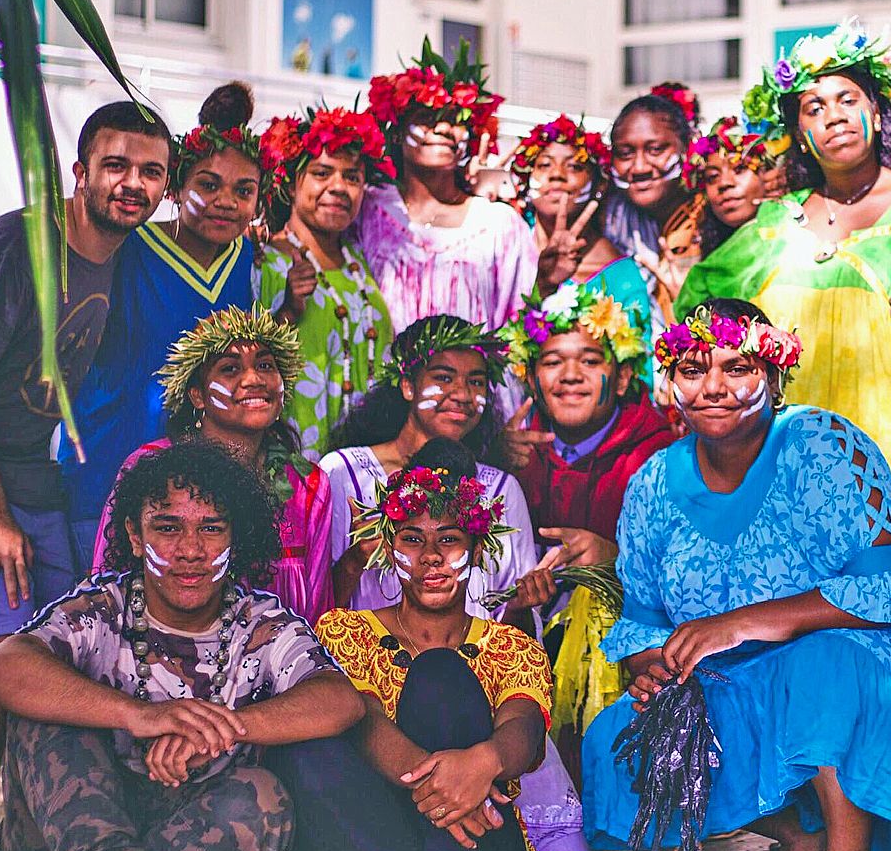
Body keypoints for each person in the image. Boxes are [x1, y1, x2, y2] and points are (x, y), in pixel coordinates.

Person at [582, 300, 891, 851]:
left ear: (773, 377)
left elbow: (889, 590)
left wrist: (738, 624)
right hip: (741, 678)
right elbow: (641, 626)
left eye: (737, 368)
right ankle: (801, 835)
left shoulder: (823, 443)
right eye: (693, 370)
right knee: (614, 735)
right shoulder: (651, 484)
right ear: (670, 382)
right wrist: (655, 673)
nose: (714, 386)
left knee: (824, 663)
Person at [0, 101, 171, 851]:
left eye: (149, 172)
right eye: (115, 165)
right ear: (79, 172)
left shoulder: (124, 251)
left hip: (33, 475)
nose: (131, 184)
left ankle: (29, 825)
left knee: (56, 652)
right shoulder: (22, 242)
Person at [677, 20, 891, 595]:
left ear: (878, 113)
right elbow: (699, 316)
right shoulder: (773, 226)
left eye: (846, 100)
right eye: (812, 107)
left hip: (890, 466)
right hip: (784, 465)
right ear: (798, 133)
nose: (832, 116)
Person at [0, 441, 364, 851]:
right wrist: (139, 715)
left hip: (181, 828)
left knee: (260, 792)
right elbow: (1, 667)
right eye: (167, 528)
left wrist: (216, 731)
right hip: (72, 835)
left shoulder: (259, 622)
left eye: (212, 529)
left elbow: (341, 700)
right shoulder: (104, 606)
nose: (191, 550)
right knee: (46, 710)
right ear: (136, 537)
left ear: (236, 538)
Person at [267, 442, 550, 851]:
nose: (431, 557)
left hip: (479, 843)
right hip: (377, 832)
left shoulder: (510, 645)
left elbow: (524, 727)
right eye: (413, 539)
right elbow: (361, 720)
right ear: (388, 548)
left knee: (441, 675)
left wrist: (483, 763)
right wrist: (444, 791)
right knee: (309, 753)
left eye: (449, 540)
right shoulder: (346, 631)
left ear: (475, 550)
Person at [61, 82, 266, 552]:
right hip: (106, 465)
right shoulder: (127, 244)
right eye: (208, 185)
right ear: (175, 187)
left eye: (244, 190)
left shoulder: (247, 259)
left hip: (200, 493)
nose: (226, 201)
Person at [497, 285, 674, 781]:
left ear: (619, 379)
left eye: (590, 360)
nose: (571, 375)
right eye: (552, 361)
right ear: (531, 378)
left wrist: (612, 557)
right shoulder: (512, 450)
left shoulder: (656, 454)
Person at [91, 307, 334, 625]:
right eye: (230, 369)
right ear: (197, 396)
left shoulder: (308, 485)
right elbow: (106, 585)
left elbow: (319, 607)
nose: (253, 379)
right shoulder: (149, 467)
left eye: (265, 365)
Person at [322, 315, 538, 619]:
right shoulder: (344, 474)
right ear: (408, 385)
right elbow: (310, 606)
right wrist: (355, 559)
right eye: (444, 378)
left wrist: (523, 603)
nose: (462, 395)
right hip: (364, 663)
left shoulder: (502, 490)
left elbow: (511, 620)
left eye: (475, 382)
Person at [358, 40, 535, 337]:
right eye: (426, 119)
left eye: (455, 120)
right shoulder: (368, 210)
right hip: (380, 383)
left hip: (470, 383)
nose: (442, 129)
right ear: (399, 133)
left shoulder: (499, 226)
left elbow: (516, 330)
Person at [257, 106, 396, 457]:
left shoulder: (359, 260)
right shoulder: (264, 261)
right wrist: (288, 309)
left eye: (352, 178)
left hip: (363, 464)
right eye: (322, 173)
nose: (339, 188)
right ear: (290, 184)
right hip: (295, 461)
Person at [516, 115, 650, 325]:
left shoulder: (622, 276)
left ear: (600, 186)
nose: (557, 174)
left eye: (574, 166)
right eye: (544, 164)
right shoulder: (504, 242)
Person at [602, 85, 698, 265]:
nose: (640, 168)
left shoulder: (713, 217)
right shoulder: (606, 220)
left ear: (687, 147)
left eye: (655, 150)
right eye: (625, 153)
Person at [685, 116, 775, 255]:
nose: (724, 183)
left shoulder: (796, 231)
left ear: (769, 173)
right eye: (713, 176)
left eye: (739, 169)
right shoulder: (708, 264)